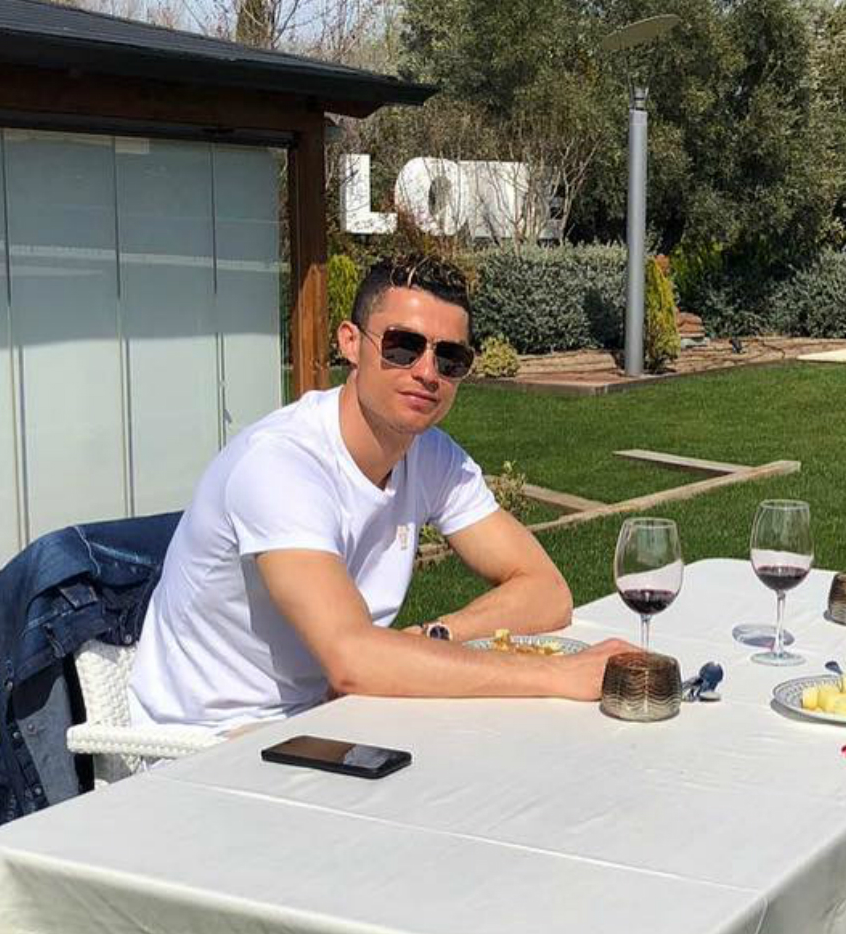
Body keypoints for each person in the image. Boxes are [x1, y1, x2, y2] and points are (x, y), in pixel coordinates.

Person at [128, 256, 635, 732]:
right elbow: (353, 659)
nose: (426, 372)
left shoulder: (430, 454)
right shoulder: (281, 464)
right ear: (350, 343)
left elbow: (547, 592)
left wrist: (429, 638)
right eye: (402, 346)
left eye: (450, 357)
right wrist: (558, 677)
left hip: (342, 713)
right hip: (217, 736)